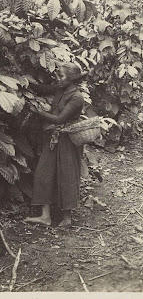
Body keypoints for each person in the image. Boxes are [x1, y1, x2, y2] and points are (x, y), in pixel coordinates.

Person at [24, 63, 85, 228]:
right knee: (43, 173)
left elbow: (59, 120)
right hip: (54, 138)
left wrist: (37, 112)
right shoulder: (60, 88)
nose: (58, 79)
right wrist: (17, 69)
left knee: (67, 176)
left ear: (71, 79)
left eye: (61, 76)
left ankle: (67, 217)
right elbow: (41, 88)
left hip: (67, 141)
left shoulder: (76, 97)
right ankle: (45, 216)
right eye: (58, 76)